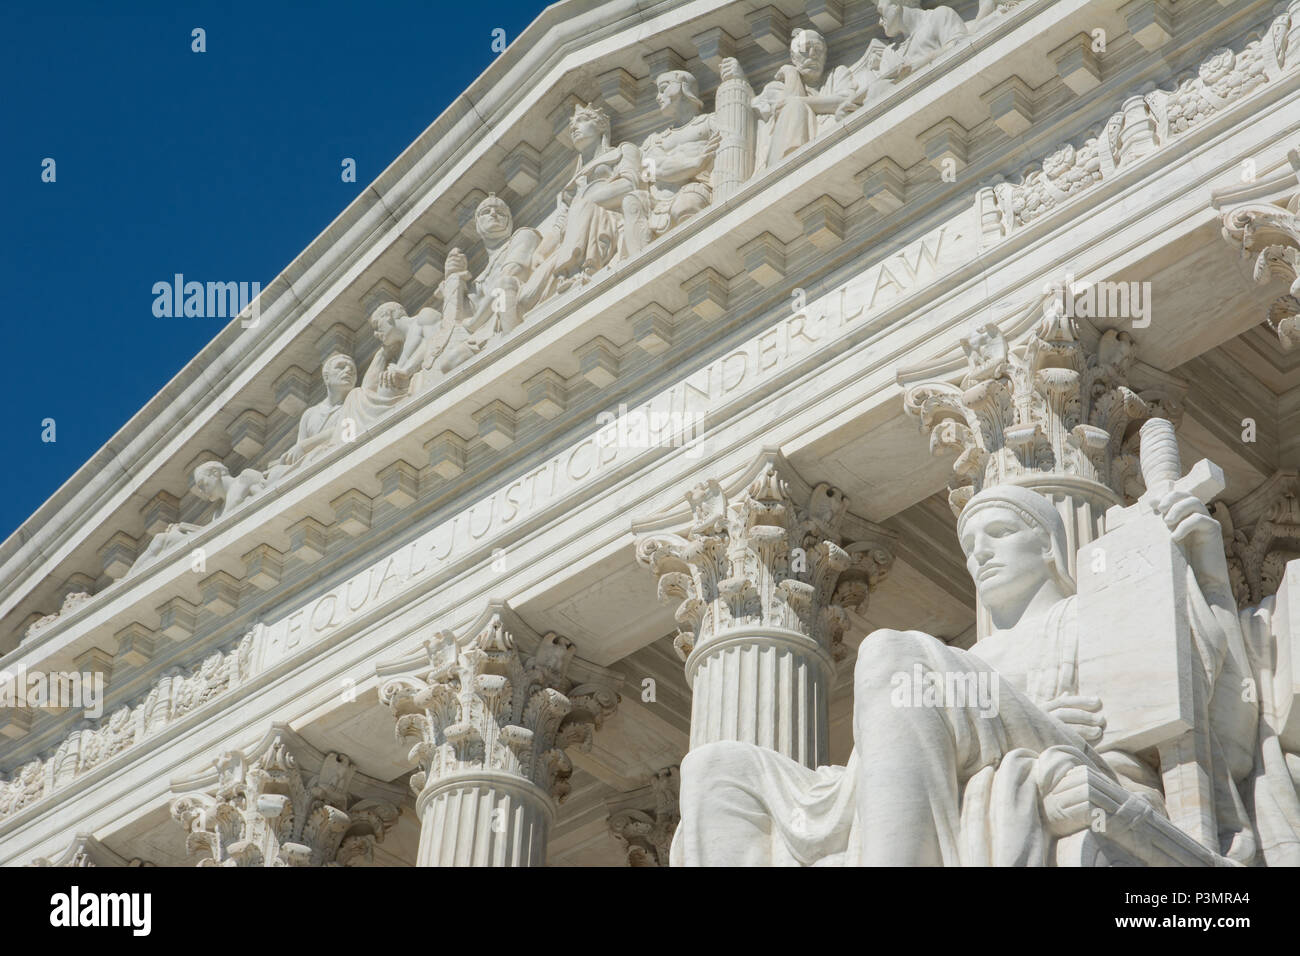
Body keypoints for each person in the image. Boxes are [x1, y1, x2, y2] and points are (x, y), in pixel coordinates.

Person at [673, 481, 1260, 865]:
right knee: (714, 768)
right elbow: (882, 766)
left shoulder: (1088, 615)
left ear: (1051, 546)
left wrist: (1205, 572)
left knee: (891, 654)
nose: (980, 553)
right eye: (970, 542)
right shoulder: (970, 660)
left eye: (1001, 533)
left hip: (1080, 758)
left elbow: (1224, 731)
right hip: (912, 774)